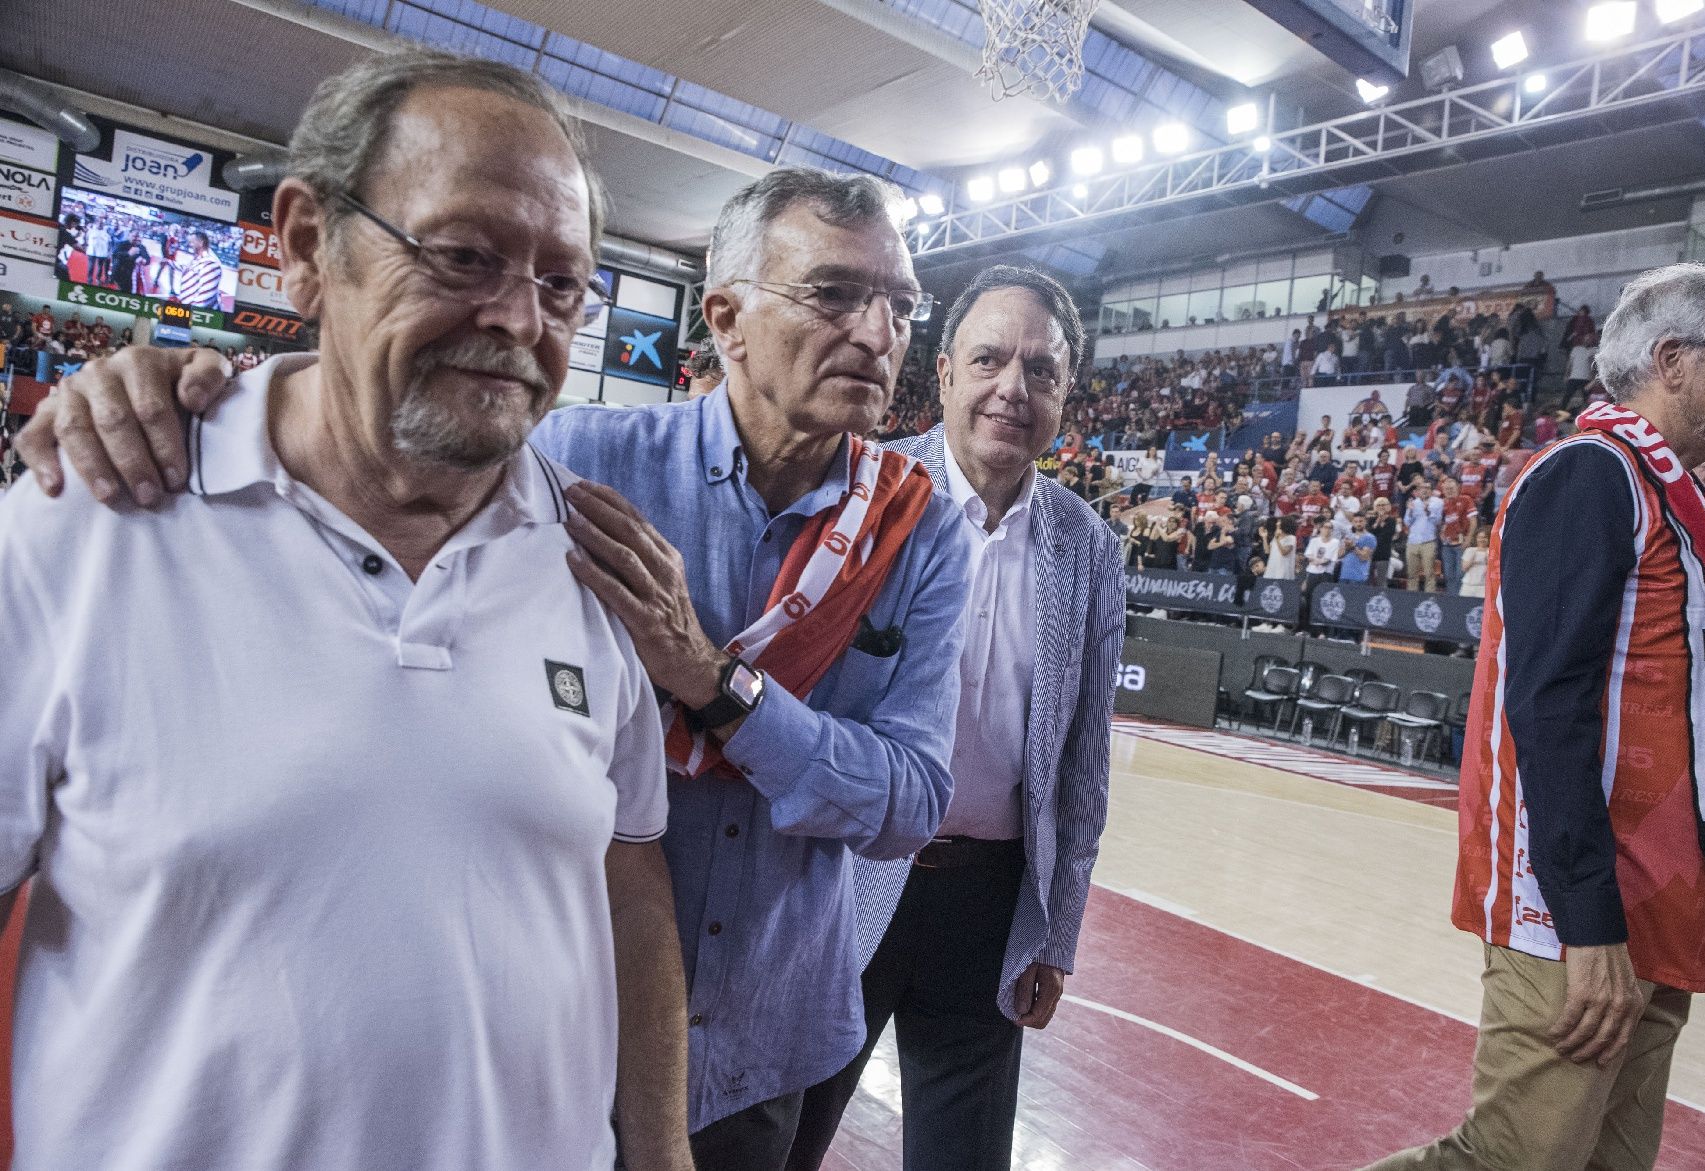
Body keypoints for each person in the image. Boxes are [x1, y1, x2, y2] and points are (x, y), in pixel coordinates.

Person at [18, 163, 974, 1169]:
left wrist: (713, 682)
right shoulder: (567, 460)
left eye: (900, 306)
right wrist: (182, 392)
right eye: (833, 293)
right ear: (725, 317)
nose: (877, 333)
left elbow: (912, 804)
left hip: (763, 1035)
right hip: (537, 1036)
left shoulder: (918, 532)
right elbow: (365, 425)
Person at [0, 50, 692, 1170]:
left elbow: (625, 872)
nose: (519, 320)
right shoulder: (83, 525)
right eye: (464, 255)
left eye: (561, 283)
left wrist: (662, 1154)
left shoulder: (593, 563)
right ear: (309, 246)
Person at [1364, 263, 1705, 1171]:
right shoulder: (1591, 474)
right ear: (1673, 358)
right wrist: (1588, 921)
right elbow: (1546, 707)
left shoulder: (1684, 504)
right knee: (1511, 1159)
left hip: (1664, 890)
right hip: (1582, 902)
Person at [784, 265, 1121, 1171]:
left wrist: (1056, 929)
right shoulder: (865, 495)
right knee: (781, 1142)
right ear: (941, 373)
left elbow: (1083, 767)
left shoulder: (1087, 546)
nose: (1013, 388)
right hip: (846, 879)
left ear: (1064, 393)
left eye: (1041, 370)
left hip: (988, 898)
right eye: (990, 359)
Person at [1402, 481, 1442, 591]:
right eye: (1422, 488)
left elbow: (1438, 521)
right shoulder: (1413, 502)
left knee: (1429, 573)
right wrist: (1409, 511)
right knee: (1411, 573)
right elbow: (1407, 522)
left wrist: (1427, 511)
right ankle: (1411, 598)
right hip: (1412, 541)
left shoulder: (1438, 502)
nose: (1425, 490)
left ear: (1431, 490)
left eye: (1427, 488)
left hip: (1428, 541)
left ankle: (1429, 597)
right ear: (1418, 491)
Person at [171, 229, 225, 309]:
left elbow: (205, 297)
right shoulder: (198, 258)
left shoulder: (211, 263)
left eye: (192, 242)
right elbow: (189, 269)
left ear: (201, 243)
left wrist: (188, 312)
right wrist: (170, 263)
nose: (190, 244)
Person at [1457, 527, 1489, 597]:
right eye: (1479, 537)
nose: (1482, 540)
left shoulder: (1491, 552)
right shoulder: (1470, 550)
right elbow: (1464, 568)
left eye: (1484, 537)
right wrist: (1473, 558)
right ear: (1476, 538)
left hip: (1483, 586)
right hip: (1468, 585)